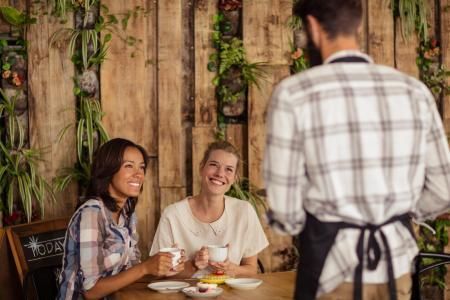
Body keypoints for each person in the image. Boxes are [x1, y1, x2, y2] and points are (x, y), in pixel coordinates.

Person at [263, 0, 450, 299]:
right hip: (396, 268)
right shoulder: (414, 91)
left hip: (331, 268)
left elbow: (285, 209)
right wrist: (398, 216)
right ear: (358, 26)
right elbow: (443, 189)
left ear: (312, 26)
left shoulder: (295, 93)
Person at [58, 138, 185, 299]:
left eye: (142, 167)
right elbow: (90, 291)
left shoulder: (127, 213)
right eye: (129, 166)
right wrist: (146, 268)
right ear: (109, 170)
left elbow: (132, 271)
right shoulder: (92, 213)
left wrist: (162, 268)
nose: (138, 174)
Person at [150, 141, 269, 278]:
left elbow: (251, 269)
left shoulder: (244, 211)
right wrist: (194, 265)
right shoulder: (172, 215)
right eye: (214, 165)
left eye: (228, 169)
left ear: (234, 178)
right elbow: (159, 273)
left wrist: (232, 269)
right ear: (201, 168)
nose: (220, 173)